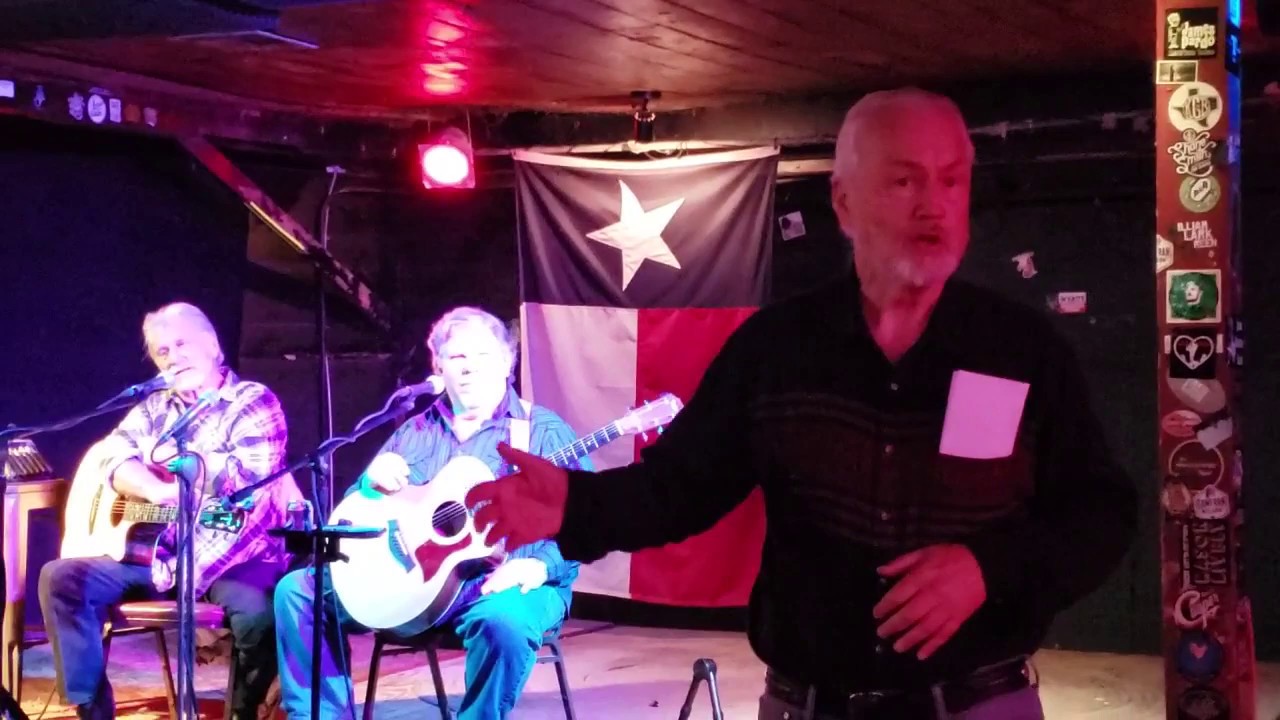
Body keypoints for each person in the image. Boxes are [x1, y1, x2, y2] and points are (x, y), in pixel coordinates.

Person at [466, 88, 1139, 720]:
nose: (934, 205)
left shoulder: (1021, 351)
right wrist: (574, 506)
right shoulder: (776, 351)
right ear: (843, 202)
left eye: (952, 180)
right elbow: (679, 489)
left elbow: (1101, 513)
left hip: (978, 704)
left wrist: (989, 569)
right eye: (904, 181)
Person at [273, 306, 591, 719]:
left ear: (506, 363)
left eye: (483, 355)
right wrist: (369, 484)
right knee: (299, 592)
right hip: (414, 582)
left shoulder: (540, 432)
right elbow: (356, 516)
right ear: (438, 366)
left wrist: (539, 566)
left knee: (505, 622)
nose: (470, 368)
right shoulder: (415, 430)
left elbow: (589, 518)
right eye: (457, 357)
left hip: (506, 582)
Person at [39, 301, 303, 720]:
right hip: (160, 556)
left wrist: (181, 463)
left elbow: (249, 476)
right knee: (62, 578)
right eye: (162, 351)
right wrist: (155, 490)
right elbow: (113, 457)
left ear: (213, 346)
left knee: (258, 615)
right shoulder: (154, 407)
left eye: (182, 344)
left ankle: (242, 712)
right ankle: (92, 711)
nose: (173, 357)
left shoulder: (251, 401)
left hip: (235, 555)